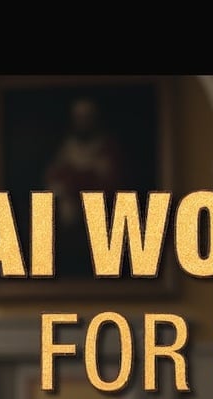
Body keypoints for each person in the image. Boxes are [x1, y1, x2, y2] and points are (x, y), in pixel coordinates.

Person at [43, 96, 128, 277]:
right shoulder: (66, 147)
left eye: (87, 117)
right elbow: (54, 180)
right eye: (79, 117)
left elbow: (109, 182)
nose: (83, 122)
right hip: (69, 219)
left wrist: (78, 178)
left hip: (102, 218)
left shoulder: (108, 147)